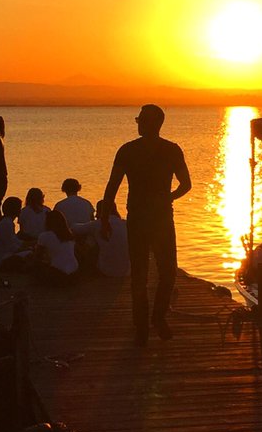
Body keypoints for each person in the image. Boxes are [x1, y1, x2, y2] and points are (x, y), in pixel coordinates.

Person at [99, 104, 191, 344]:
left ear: (151, 123)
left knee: (143, 275)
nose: (137, 123)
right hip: (157, 217)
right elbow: (186, 185)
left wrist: (104, 219)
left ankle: (148, 323)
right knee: (165, 273)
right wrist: (169, 196)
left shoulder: (129, 150)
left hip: (143, 218)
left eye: (140, 120)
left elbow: (112, 187)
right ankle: (151, 321)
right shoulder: (169, 150)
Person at [77, 199, 130, 278]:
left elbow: (76, 229)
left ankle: (83, 267)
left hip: (106, 270)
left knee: (90, 238)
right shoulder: (125, 223)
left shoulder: (98, 224)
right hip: (127, 270)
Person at [34, 208, 79, 284]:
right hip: (74, 272)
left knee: (36, 265)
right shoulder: (69, 235)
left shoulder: (44, 235)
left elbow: (37, 255)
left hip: (59, 273)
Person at [0, 195, 30, 272]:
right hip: (0, 259)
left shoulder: (8, 222)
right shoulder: (6, 224)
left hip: (4, 256)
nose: (20, 211)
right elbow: (11, 246)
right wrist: (25, 248)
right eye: (19, 208)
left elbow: (15, 241)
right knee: (29, 254)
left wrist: (28, 244)